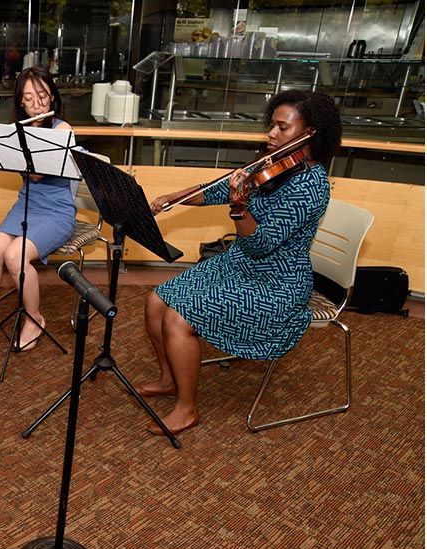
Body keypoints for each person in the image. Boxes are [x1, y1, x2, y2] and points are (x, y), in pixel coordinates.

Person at [137, 89, 343, 435]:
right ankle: (168, 378)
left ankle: (186, 409)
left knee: (177, 317)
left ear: (310, 133)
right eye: (272, 126)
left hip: (277, 284)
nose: (271, 135)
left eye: (282, 128)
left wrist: (239, 207)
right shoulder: (273, 167)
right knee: (155, 300)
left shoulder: (311, 187)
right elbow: (217, 190)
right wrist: (176, 196)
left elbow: (261, 242)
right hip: (240, 264)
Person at [0, 66, 77, 352]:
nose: (36, 105)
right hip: (26, 205)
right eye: (29, 99)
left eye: (43, 97)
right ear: (20, 101)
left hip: (57, 211)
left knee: (15, 256)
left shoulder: (61, 129)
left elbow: (36, 174)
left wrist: (14, 146)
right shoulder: (18, 130)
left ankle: (34, 318)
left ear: (53, 97)